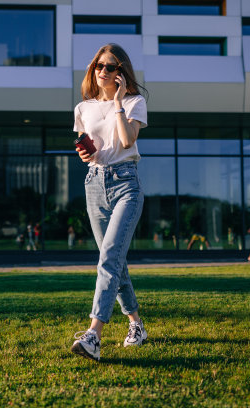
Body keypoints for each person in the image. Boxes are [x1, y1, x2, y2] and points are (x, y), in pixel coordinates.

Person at [70, 43, 148, 362]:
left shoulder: (133, 102)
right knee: (115, 262)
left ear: (121, 73)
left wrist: (117, 102)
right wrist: (84, 153)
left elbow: (128, 140)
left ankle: (94, 335)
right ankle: (136, 325)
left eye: (111, 67)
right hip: (94, 183)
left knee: (110, 258)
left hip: (126, 183)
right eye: (98, 66)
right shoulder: (83, 108)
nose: (103, 71)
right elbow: (90, 151)